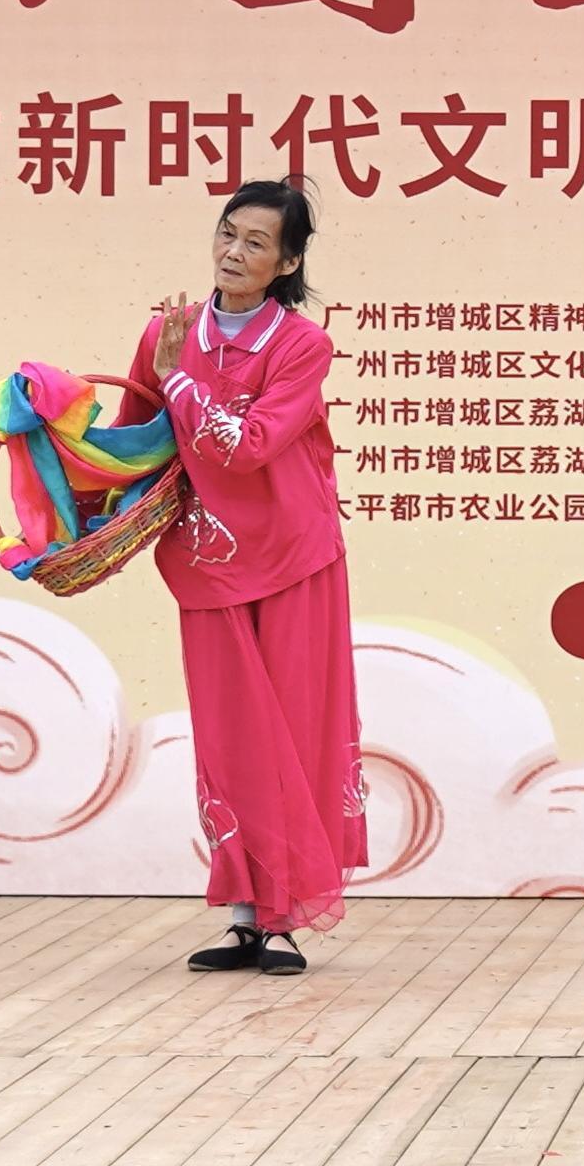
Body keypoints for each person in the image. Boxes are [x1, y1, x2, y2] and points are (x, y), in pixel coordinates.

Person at [119, 180, 359, 976]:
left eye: (256, 243)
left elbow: (247, 444)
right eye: (228, 233)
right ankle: (244, 917)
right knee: (230, 737)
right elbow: (137, 438)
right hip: (208, 561)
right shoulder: (168, 333)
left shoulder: (302, 345)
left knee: (292, 729)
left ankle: (286, 917)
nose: (233, 252)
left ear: (287, 263)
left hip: (294, 555)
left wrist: (180, 381)